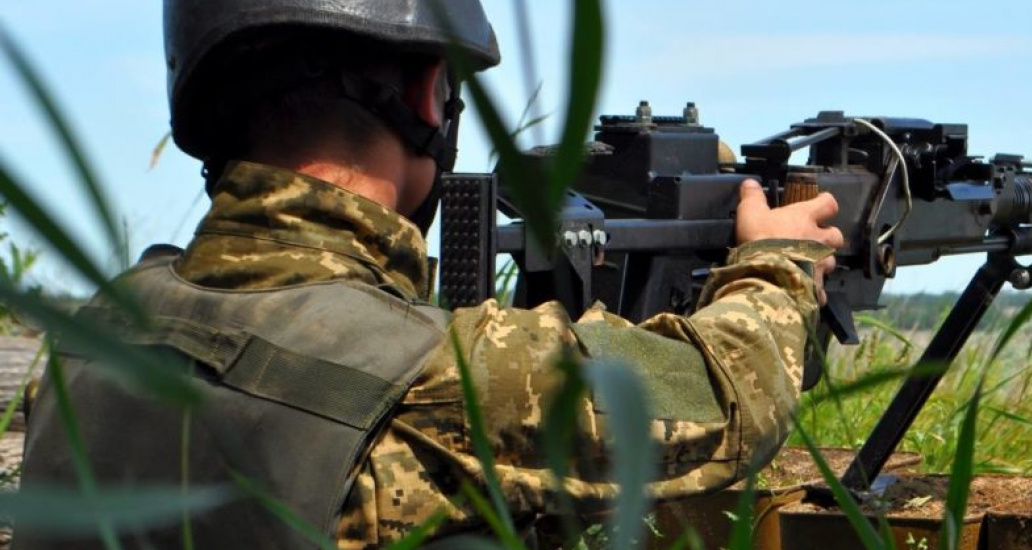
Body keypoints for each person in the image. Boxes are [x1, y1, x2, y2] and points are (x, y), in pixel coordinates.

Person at [16, 1, 843, 548]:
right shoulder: (437, 378)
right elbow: (728, 397)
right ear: (425, 97)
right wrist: (778, 260)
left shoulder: (96, 335)